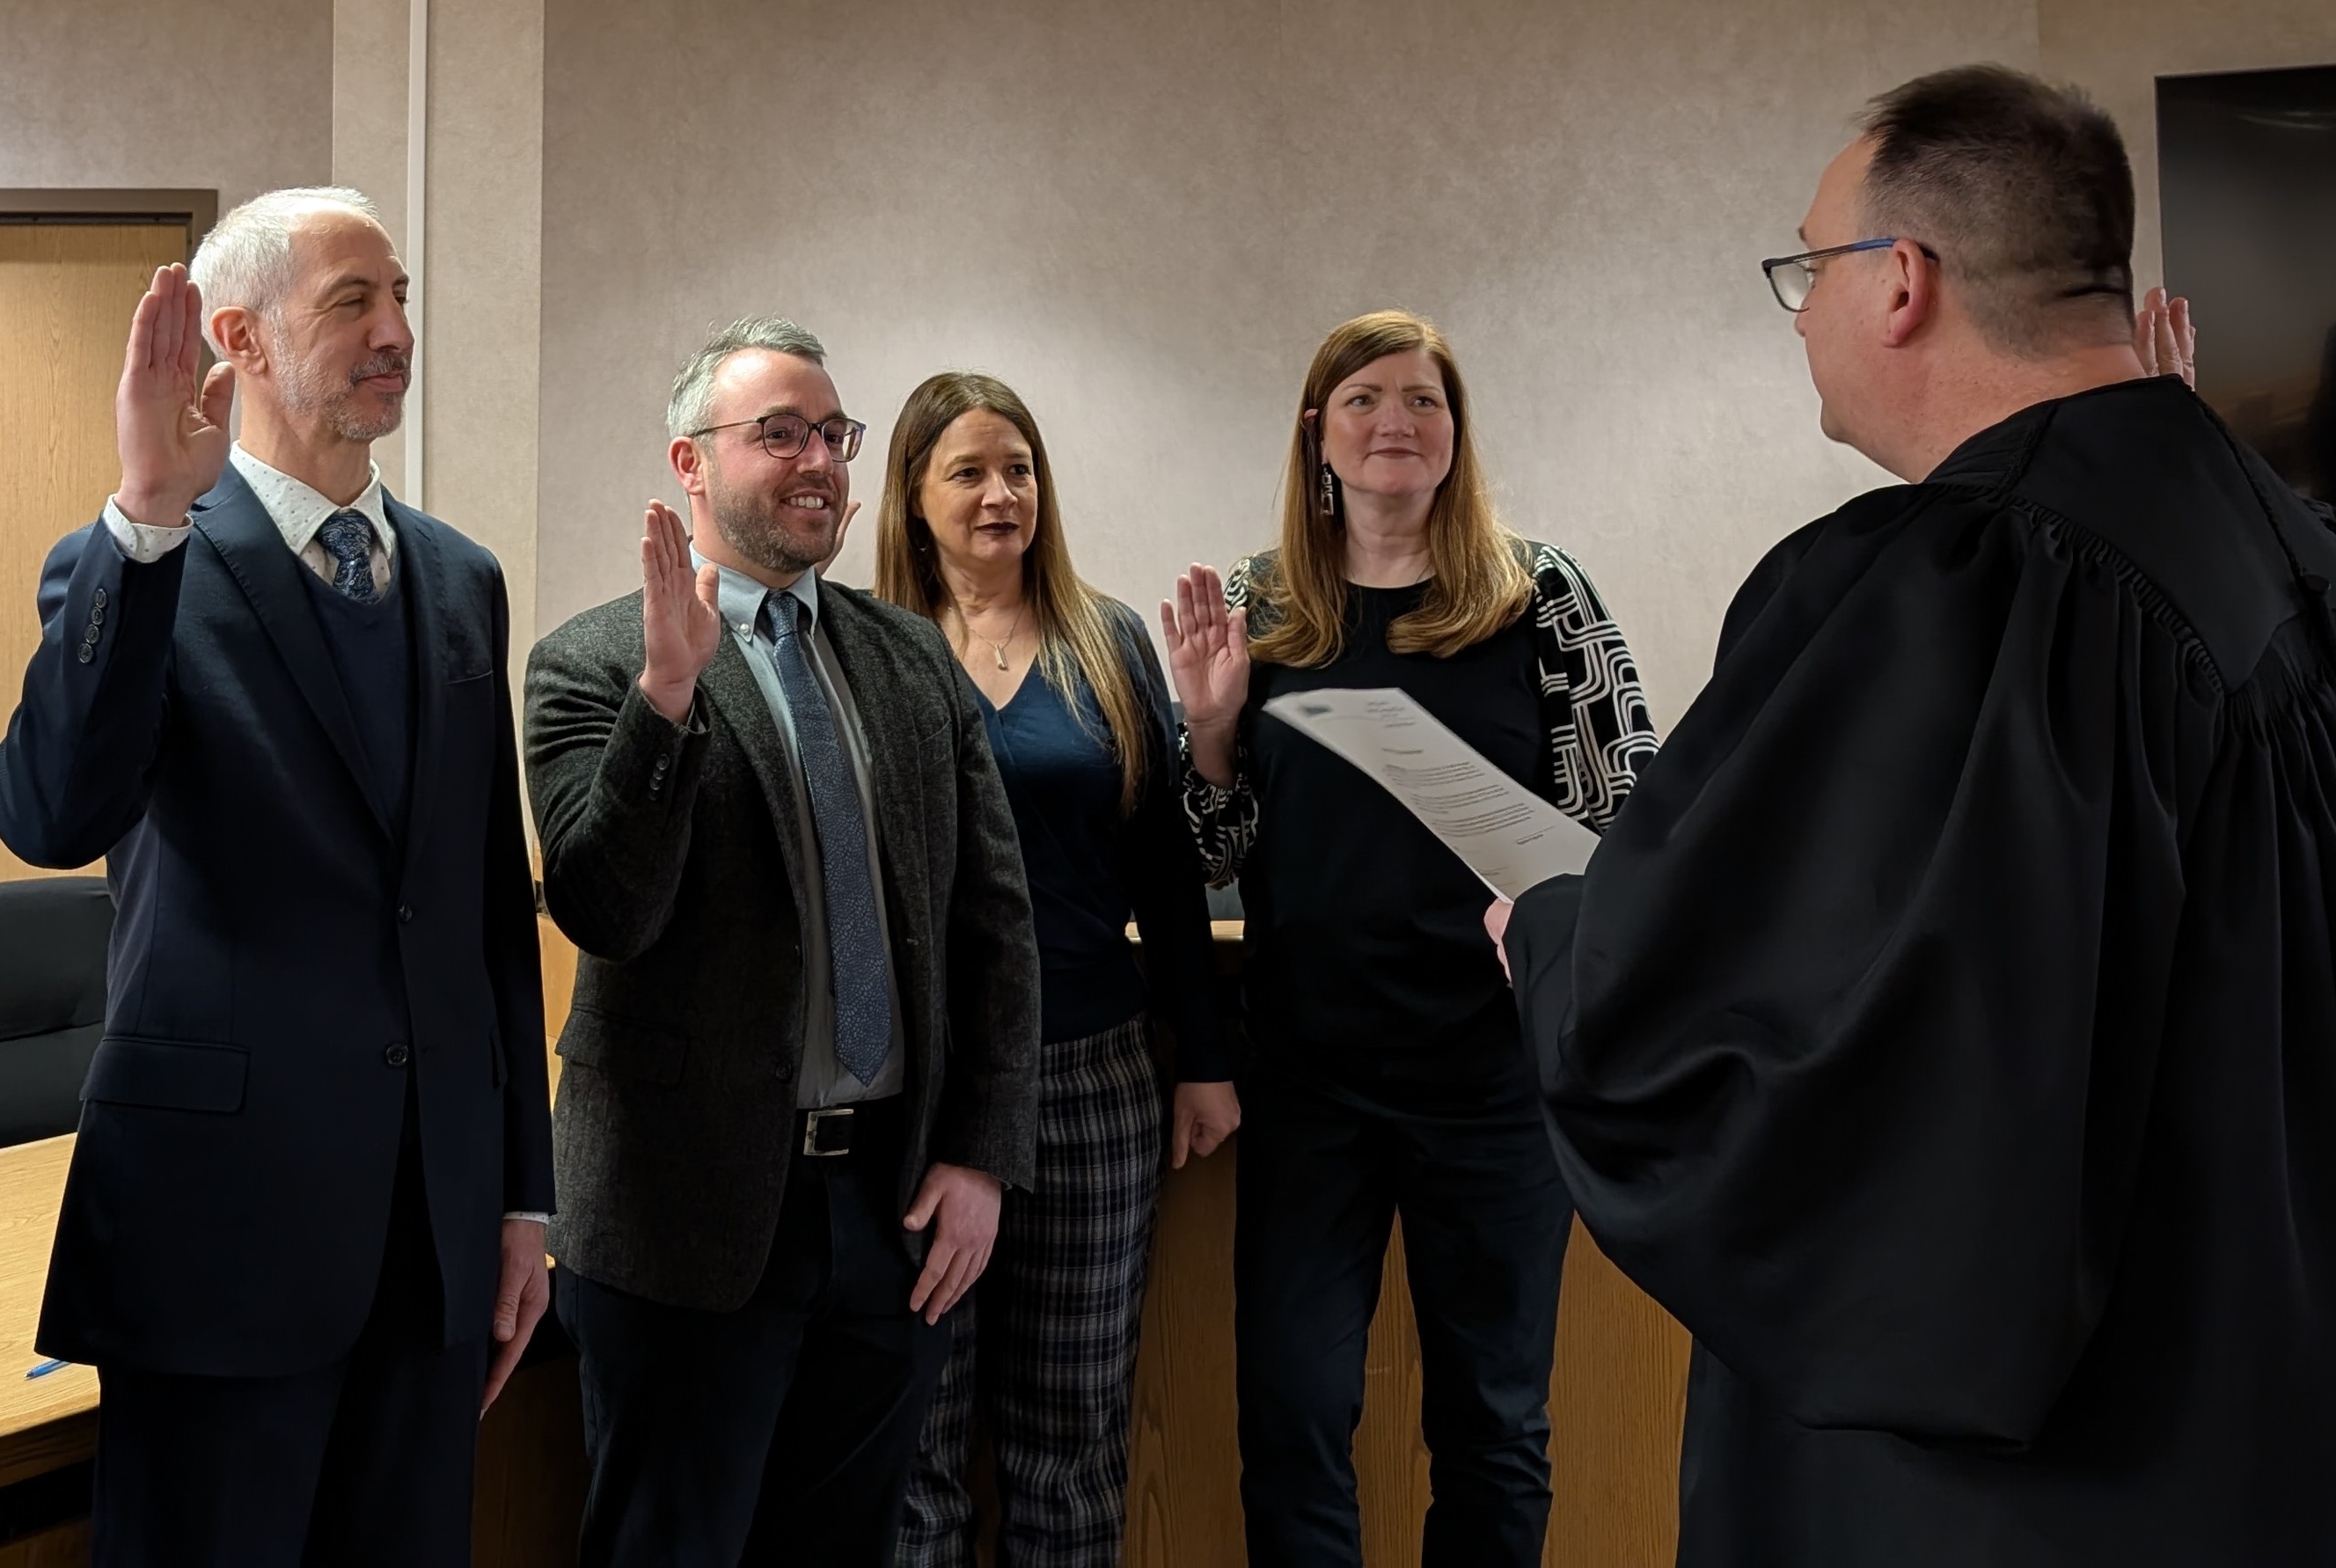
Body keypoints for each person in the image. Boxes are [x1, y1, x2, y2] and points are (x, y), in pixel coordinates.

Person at [1501, 64, 2336, 1564]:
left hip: (2087, 1480)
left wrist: (1554, 939)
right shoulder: (2322, 565)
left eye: (1806, 269)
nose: (1801, 314)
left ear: (1902, 283)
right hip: (2330, 1430)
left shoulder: (1956, 595)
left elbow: (1784, 1077)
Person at [0, 188, 553, 1568]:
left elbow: (486, 910)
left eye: (400, 297)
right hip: (216, 1232)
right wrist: (141, 517)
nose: (395, 332)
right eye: (351, 303)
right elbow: (51, 816)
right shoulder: (135, 561)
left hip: (431, 1236)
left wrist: (521, 1201)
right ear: (234, 337)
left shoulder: (460, 581)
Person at [523, 316, 1043, 1568]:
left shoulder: (907, 656)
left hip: (889, 1215)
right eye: (778, 436)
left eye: (831, 435)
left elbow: (994, 924)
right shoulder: (588, 664)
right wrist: (666, 701)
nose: (816, 461)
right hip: (681, 1220)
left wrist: (979, 1156)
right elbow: (606, 908)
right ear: (689, 464)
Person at [1159, 311, 1658, 1567]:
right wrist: (1210, 730)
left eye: (1424, 400)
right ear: (1317, 434)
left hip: (1492, 1086)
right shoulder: (1256, 603)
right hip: (1307, 1085)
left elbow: (1634, 817)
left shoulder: (1538, 593)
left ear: (1455, 432)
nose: (1396, 423)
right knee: (1292, 1413)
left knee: (1491, 1425)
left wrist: (1552, 915)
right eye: (1366, 398)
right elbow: (1205, 855)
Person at [874, 372, 1242, 1568]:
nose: (1000, 495)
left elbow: (1163, 871)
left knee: (1069, 1433)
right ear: (913, 498)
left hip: (1093, 1079)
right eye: (968, 472)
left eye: (1018, 469)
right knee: (918, 1431)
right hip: (917, 1095)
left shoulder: (1105, 641)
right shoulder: (872, 648)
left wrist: (1205, 1059)